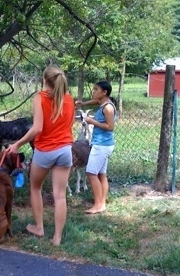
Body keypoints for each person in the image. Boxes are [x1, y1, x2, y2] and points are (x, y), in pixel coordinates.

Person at [6, 65, 74, 246]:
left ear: (44, 80)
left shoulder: (40, 98)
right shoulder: (69, 99)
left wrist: (17, 144)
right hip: (65, 150)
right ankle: (57, 238)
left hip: (45, 151)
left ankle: (39, 228)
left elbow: (37, 128)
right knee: (60, 195)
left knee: (35, 187)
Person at [76, 81, 116, 214]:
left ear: (104, 92)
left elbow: (110, 127)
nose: (93, 91)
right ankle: (102, 204)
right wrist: (83, 104)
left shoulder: (107, 108)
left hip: (101, 145)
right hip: (103, 144)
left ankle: (97, 205)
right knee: (101, 174)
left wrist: (91, 121)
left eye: (96, 89)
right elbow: (95, 101)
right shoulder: (103, 103)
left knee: (91, 173)